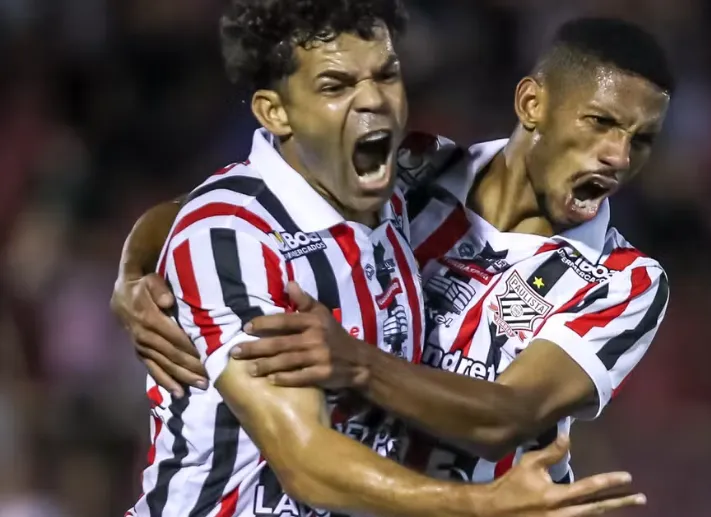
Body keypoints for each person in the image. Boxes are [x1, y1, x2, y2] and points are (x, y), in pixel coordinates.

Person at [116, 2, 646, 517]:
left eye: (386, 75)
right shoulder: (237, 234)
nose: (373, 99)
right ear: (275, 112)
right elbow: (305, 460)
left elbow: (510, 414)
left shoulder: (397, 193)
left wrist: (359, 363)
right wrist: (134, 269)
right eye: (336, 86)